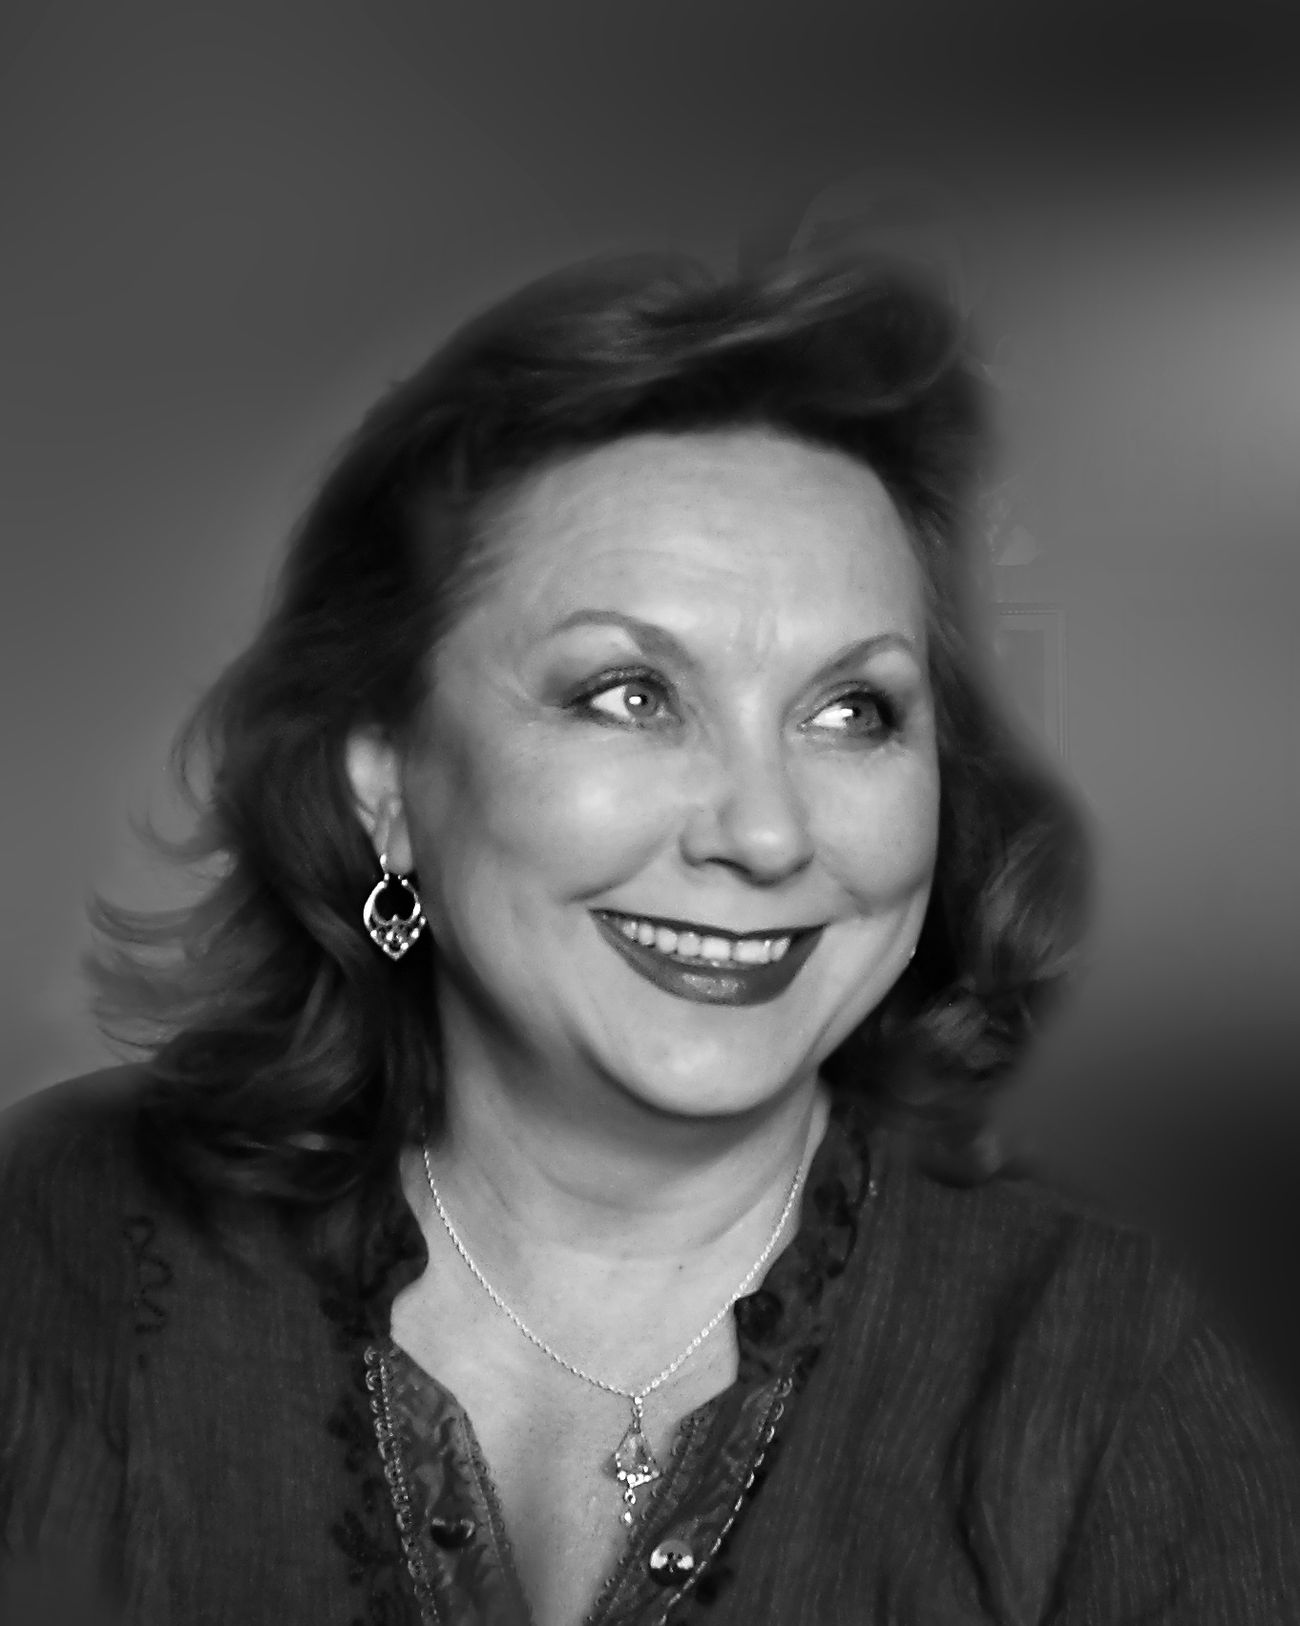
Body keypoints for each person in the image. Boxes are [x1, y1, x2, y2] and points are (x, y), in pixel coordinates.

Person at [2, 249, 1297, 1626]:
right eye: (629, 693)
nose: (766, 832)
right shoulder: (66, 1239)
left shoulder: (1107, 1363)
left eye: (852, 711)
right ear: (385, 784)